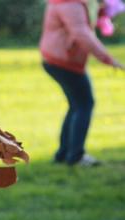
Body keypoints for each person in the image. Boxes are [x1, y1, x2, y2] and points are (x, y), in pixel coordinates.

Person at [40, 0, 123, 166]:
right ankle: (76, 156)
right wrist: (108, 59)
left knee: (77, 105)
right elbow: (82, 34)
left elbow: (80, 23)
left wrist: (101, 12)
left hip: (57, 58)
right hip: (64, 61)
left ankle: (64, 154)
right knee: (85, 104)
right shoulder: (70, 4)